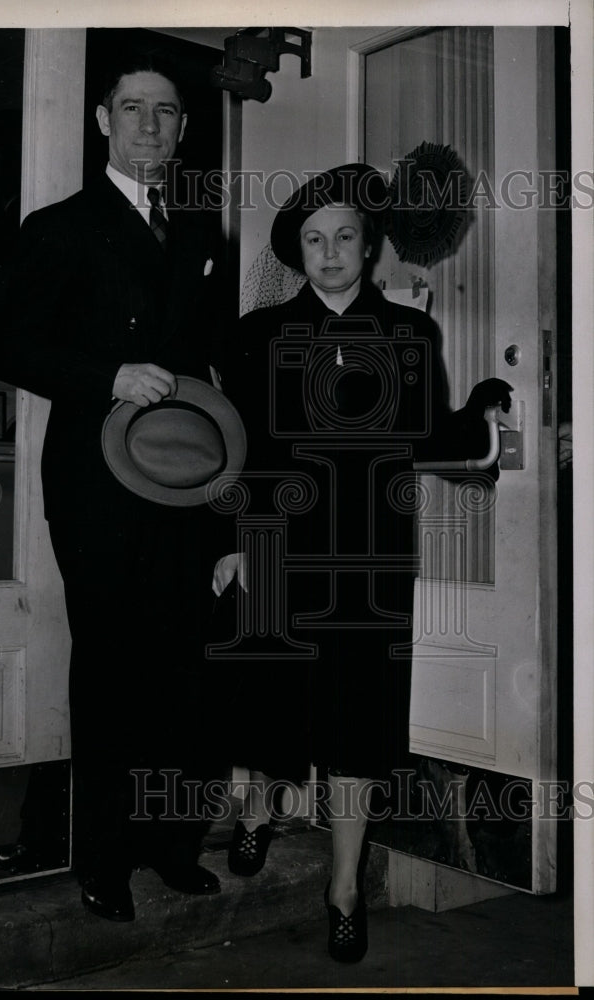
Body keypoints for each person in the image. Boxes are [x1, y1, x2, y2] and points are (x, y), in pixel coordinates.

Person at [212, 163, 513, 962]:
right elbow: (244, 453)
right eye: (314, 239)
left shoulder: (411, 335)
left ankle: (344, 886)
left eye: (346, 236)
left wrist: (483, 406)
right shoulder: (260, 335)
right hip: (280, 546)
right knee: (270, 698)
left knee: (359, 720)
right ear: (298, 252)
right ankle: (256, 812)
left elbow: (431, 436)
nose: (331, 251)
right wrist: (237, 545)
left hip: (372, 557)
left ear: (369, 244)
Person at [0, 51, 233, 923]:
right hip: (97, 484)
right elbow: (5, 343)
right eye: (133, 110)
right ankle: (106, 859)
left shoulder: (204, 234)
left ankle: (173, 847)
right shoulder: (59, 227)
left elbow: (214, 367)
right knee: (115, 671)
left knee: (185, 670)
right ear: (102, 122)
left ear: (183, 128)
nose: (150, 127)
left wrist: (230, 502)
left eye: (165, 113)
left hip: (185, 481)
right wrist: (106, 376)